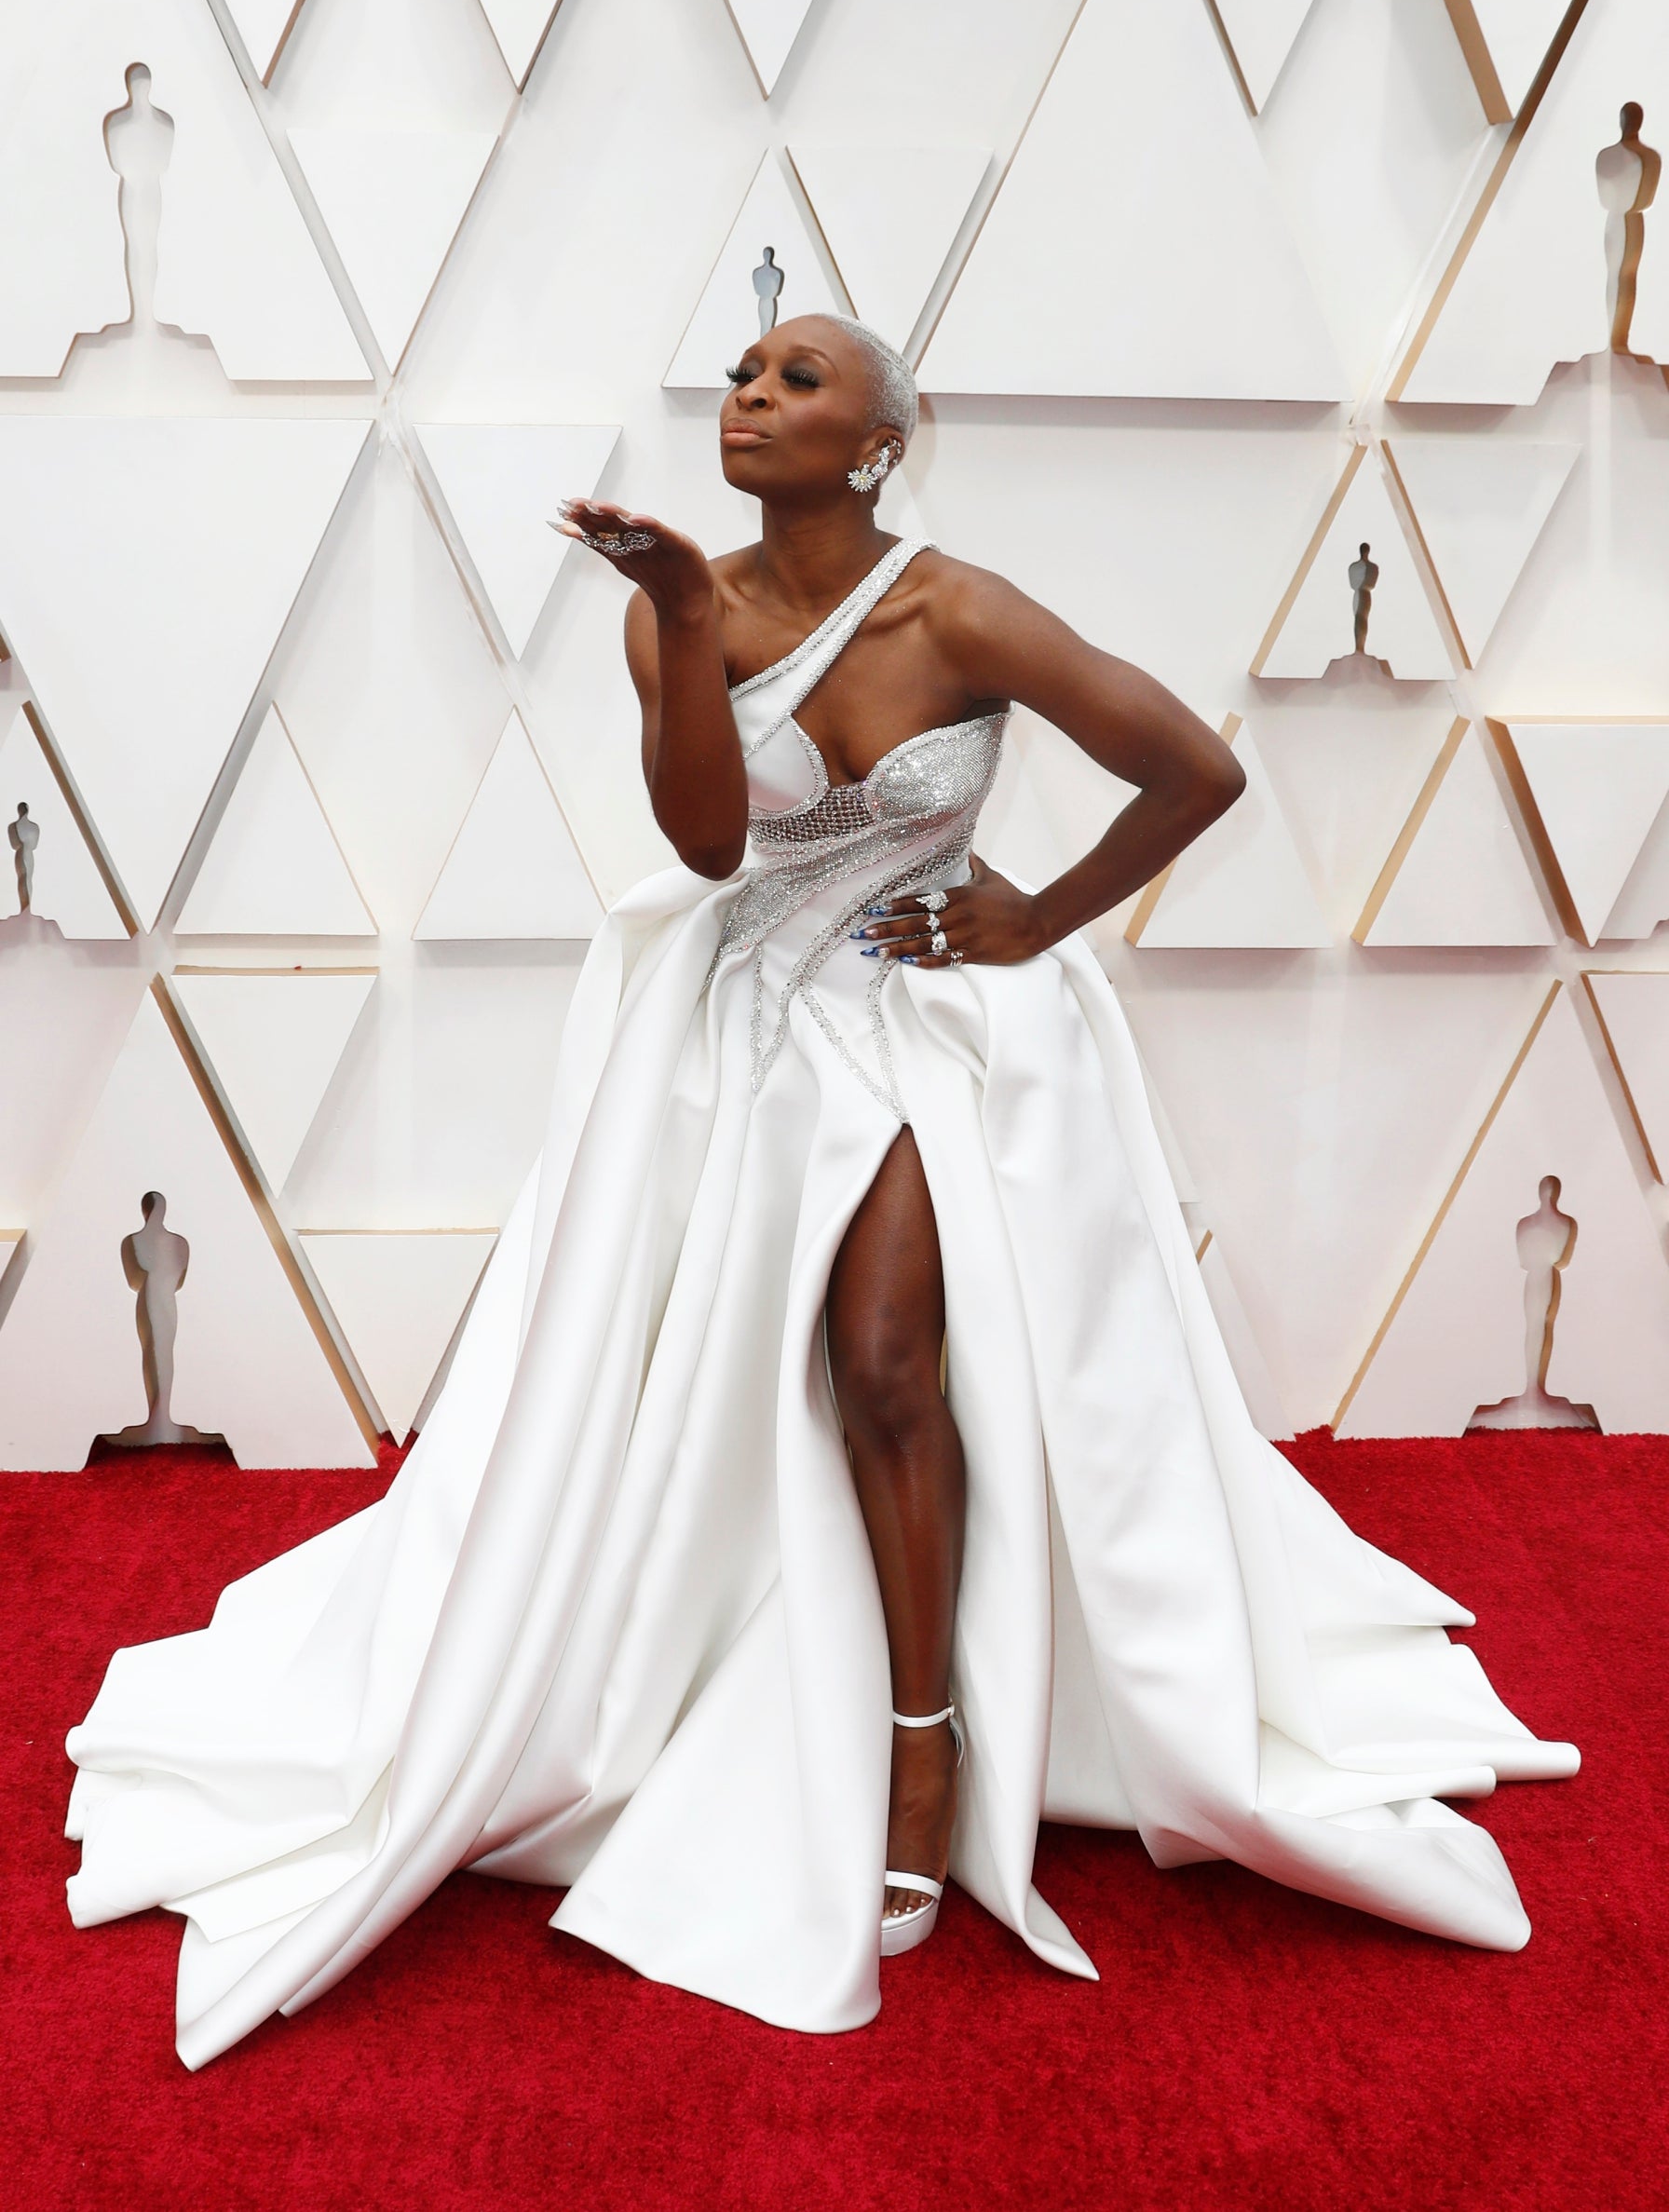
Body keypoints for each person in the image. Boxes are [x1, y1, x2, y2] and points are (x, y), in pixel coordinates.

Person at [63, 315, 1578, 2070]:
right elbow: (711, 846)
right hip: (750, 1031)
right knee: (698, 1386)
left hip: (940, 1021)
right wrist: (694, 624)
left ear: (879, 442)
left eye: (798, 381)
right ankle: (714, 1676)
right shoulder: (672, 606)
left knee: (885, 1364)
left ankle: (924, 1739)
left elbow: (1200, 771)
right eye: (743, 376)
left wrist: (1033, 918)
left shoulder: (964, 612)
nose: (752, 397)